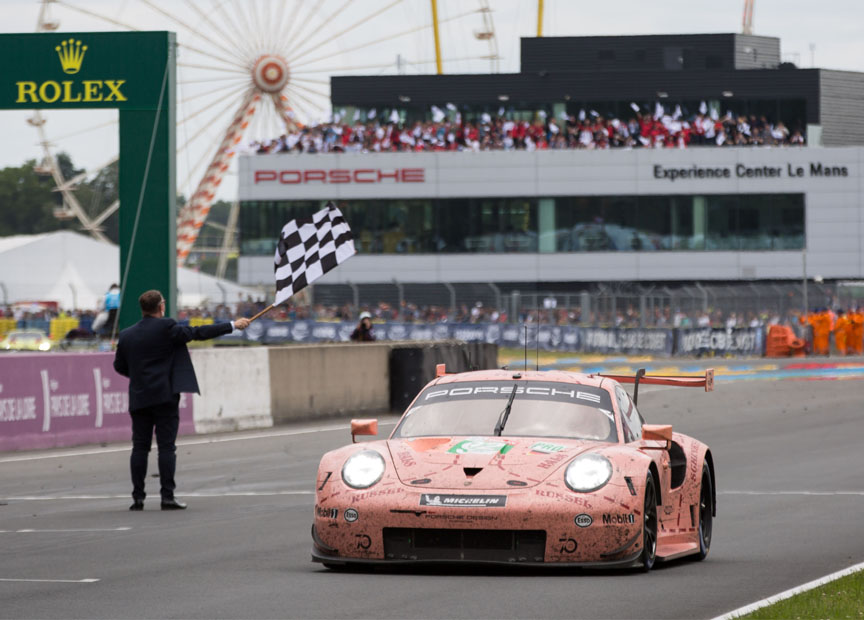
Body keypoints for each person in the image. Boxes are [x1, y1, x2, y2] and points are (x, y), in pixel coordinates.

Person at [113, 290, 250, 511]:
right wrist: (232, 325)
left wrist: (139, 376)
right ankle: (167, 496)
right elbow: (198, 332)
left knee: (139, 447)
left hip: (139, 397)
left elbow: (119, 366)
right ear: (161, 307)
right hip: (165, 396)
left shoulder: (127, 334)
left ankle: (137, 498)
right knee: (166, 447)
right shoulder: (167, 327)